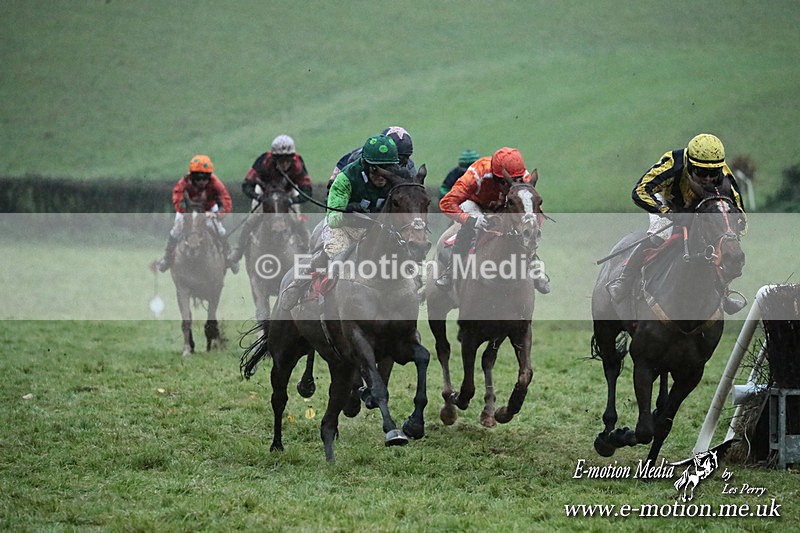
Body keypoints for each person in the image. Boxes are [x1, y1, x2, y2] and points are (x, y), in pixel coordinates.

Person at [606, 133, 747, 313]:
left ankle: (723, 293)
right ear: (689, 164)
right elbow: (639, 191)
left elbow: (739, 210)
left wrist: (732, 232)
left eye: (713, 174)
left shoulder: (724, 173)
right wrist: (670, 214)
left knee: (714, 244)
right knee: (660, 235)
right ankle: (624, 280)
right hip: (667, 201)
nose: (708, 179)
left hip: (702, 206)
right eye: (701, 173)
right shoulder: (673, 164)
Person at [281, 134, 401, 310]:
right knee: (338, 255)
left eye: (387, 168)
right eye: (377, 169)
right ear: (367, 165)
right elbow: (333, 218)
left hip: (374, 229)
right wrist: (349, 212)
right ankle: (300, 284)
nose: (382, 175)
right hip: (344, 227)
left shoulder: (397, 180)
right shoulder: (346, 178)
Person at [436, 147, 550, 294]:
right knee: (472, 226)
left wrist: (530, 224)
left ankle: (534, 265)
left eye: (517, 180)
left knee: (523, 228)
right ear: (495, 176)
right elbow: (446, 203)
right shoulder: (476, 173)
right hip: (475, 204)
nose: (511, 185)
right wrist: (469, 219)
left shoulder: (525, 178)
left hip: (505, 205)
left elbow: (536, 210)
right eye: (505, 182)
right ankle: (451, 272)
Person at [227, 134, 313, 263]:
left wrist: (292, 201)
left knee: (297, 219)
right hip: (264, 193)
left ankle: (309, 249)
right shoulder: (263, 161)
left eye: (288, 159)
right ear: (274, 158)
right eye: (280, 159)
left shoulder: (298, 163)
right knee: (251, 219)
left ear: (293, 157)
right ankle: (238, 251)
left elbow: (307, 190)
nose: (285, 163)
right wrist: (258, 197)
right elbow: (247, 184)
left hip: (288, 193)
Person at [157, 154, 238, 273]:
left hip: (208, 208)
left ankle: (228, 256)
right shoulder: (184, 181)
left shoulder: (216, 183)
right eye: (198, 178)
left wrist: (217, 215)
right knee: (178, 225)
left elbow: (226, 201)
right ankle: (167, 257)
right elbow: (177, 195)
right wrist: (183, 209)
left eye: (205, 178)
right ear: (192, 176)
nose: (202, 181)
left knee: (219, 228)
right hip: (188, 209)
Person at [327, 126, 415, 191]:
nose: (400, 162)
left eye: (405, 157)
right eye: (398, 157)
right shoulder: (360, 157)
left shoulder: (409, 168)